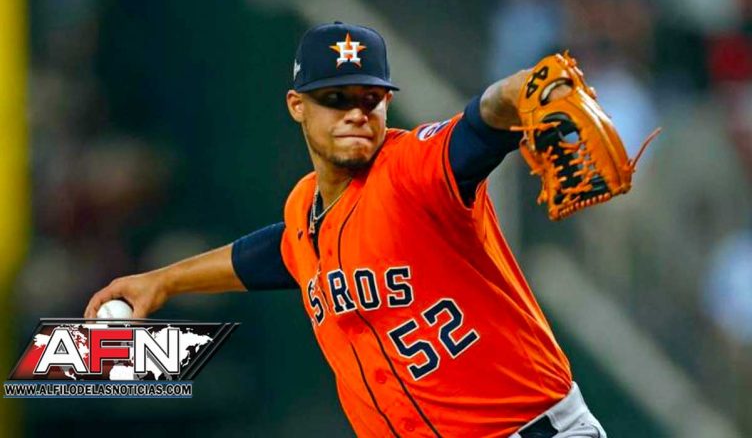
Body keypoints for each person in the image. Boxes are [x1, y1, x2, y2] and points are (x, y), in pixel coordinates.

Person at [85, 22, 607, 438]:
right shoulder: (305, 207)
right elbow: (277, 252)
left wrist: (529, 87)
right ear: (297, 106)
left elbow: (482, 122)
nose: (357, 113)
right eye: (336, 98)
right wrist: (163, 281)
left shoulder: (413, 171)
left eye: (369, 98)